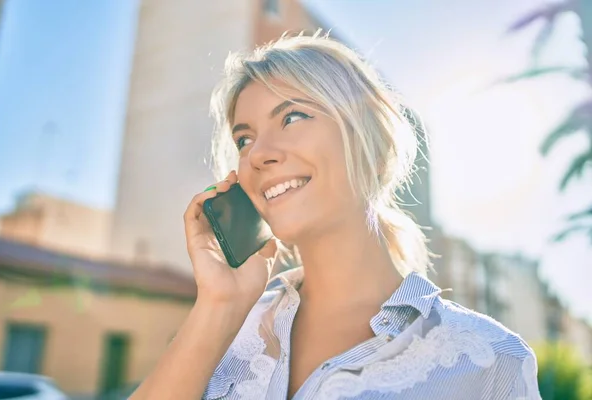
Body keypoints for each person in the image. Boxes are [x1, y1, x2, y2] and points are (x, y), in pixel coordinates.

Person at [131, 32, 541, 400]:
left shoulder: (490, 362)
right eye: (244, 138)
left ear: (374, 148)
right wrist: (219, 305)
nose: (257, 154)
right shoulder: (223, 329)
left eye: (292, 117)